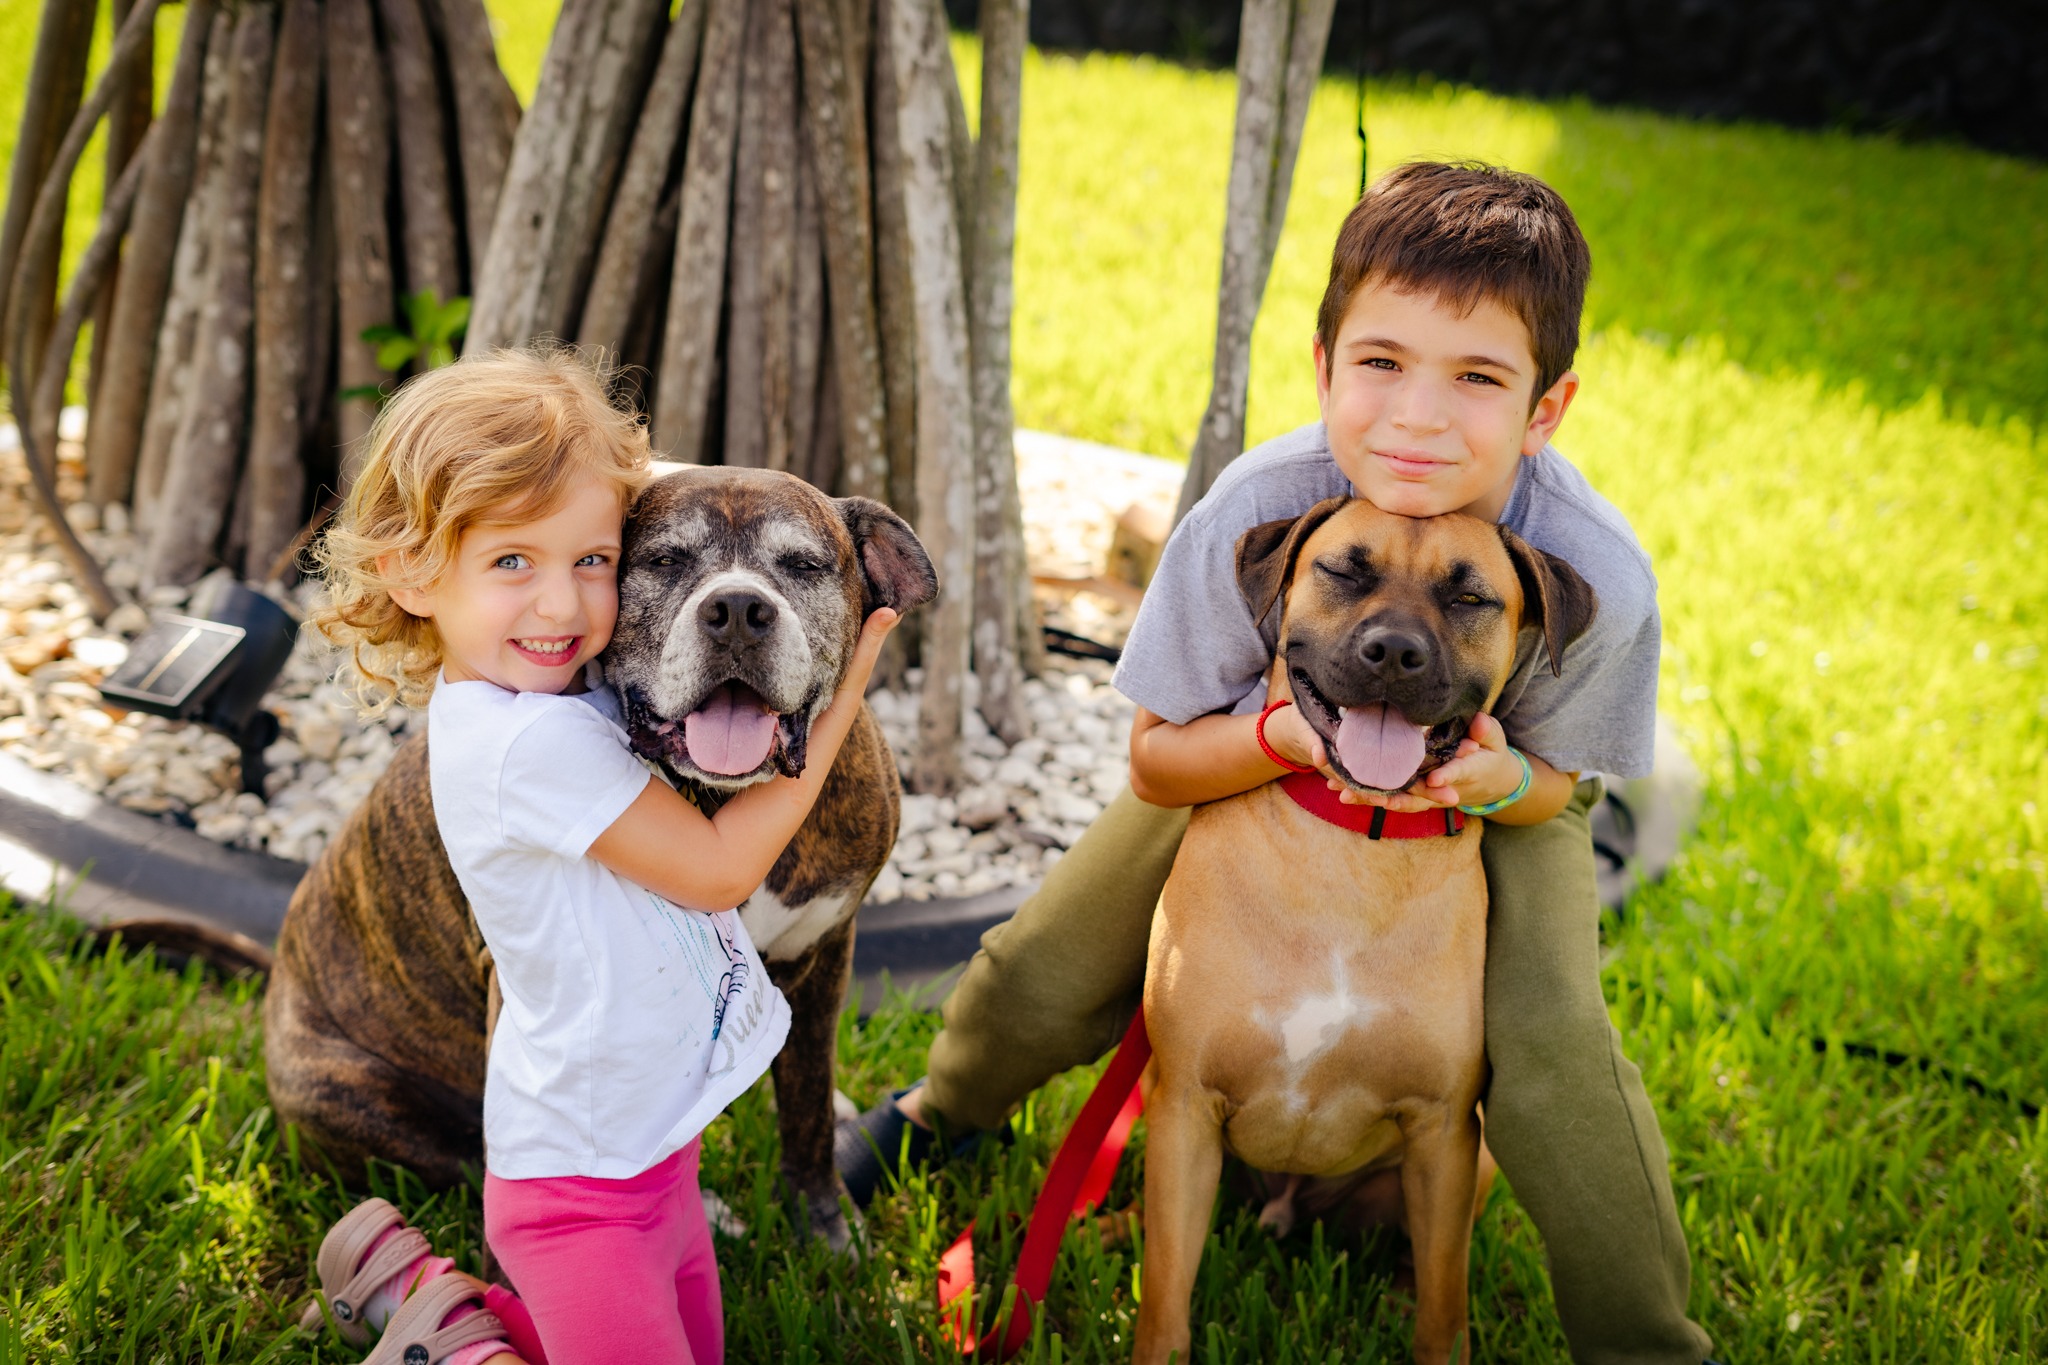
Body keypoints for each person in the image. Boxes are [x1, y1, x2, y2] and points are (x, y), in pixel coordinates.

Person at [837, 162, 1717, 1364]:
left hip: (1500, 782)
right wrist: (1276, 738)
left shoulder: (1590, 566)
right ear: (1322, 367)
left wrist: (1501, 783)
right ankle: (943, 1110)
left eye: (1475, 378)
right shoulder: (1261, 503)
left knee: (1557, 1056)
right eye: (1381, 362)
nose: (1418, 415)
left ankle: (1648, 1342)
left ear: (1543, 408)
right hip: (1244, 743)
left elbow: (1566, 784)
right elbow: (1156, 759)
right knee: (1052, 959)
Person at [297, 348, 898, 1365]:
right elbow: (719, 871)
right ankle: (443, 1326)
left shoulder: (552, 687)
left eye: (593, 561)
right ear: (415, 574)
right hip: (556, 1165)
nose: (562, 605)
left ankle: (422, 1300)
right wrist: (841, 700)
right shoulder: (533, 746)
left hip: (653, 1149)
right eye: (663, 562)